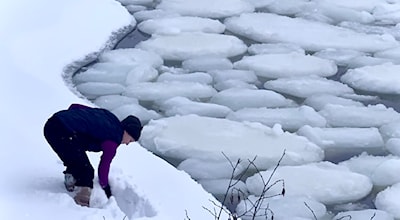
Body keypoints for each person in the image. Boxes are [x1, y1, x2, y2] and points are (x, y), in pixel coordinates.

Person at [43, 103, 142, 207]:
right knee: (86, 171)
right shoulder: (113, 140)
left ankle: (70, 179)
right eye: (130, 140)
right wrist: (105, 187)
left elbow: (75, 107)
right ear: (127, 131)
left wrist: (72, 120)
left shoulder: (109, 117)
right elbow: (104, 165)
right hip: (62, 132)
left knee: (76, 157)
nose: (127, 144)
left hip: (54, 122)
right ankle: (81, 205)